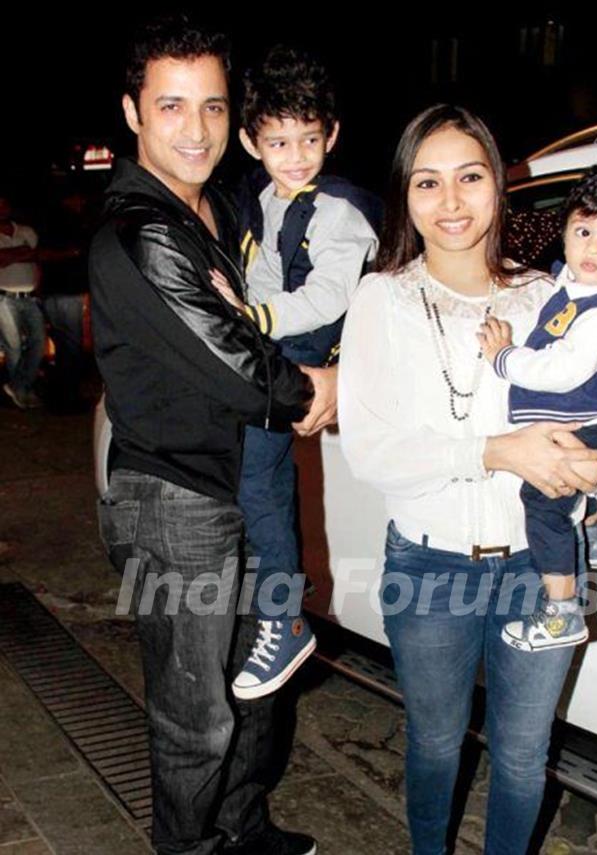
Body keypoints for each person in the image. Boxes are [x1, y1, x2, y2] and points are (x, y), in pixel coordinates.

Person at [338, 105, 597, 855]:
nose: (450, 202)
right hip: (429, 566)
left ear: (499, 186)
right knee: (436, 745)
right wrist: (497, 451)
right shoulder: (383, 299)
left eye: (469, 177)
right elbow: (371, 451)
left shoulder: (551, 299)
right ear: (404, 195)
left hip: (541, 573)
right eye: (428, 182)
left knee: (522, 755)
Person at [90, 14, 334, 855]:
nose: (197, 130)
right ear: (133, 113)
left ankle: (241, 827)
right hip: (174, 501)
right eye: (171, 106)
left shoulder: (215, 213)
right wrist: (313, 389)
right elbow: (237, 362)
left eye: (213, 107)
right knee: (194, 715)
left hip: (229, 486)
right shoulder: (142, 232)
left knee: (254, 682)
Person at [209, 45, 379, 701]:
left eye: (309, 139)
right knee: (255, 483)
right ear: (253, 142)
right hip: (271, 350)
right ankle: (269, 601)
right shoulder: (262, 196)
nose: (297, 154)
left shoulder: (338, 208)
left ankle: (283, 618)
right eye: (279, 141)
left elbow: (326, 296)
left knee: (260, 480)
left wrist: (251, 316)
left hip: (297, 351)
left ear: (330, 135)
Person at [479, 156, 597, 652]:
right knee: (566, 498)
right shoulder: (576, 290)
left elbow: (558, 371)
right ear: (563, 229)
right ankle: (594, 532)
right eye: (583, 230)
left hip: (584, 428)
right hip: (591, 423)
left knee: (541, 505)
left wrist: (503, 358)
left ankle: (563, 613)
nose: (594, 248)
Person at [0, 193, 45, 409]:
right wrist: (23, 252)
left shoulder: (26, 231)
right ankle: (22, 390)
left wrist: (11, 255)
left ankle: (18, 386)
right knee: (14, 347)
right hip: (5, 297)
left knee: (38, 342)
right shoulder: (23, 238)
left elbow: (38, 257)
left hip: (29, 296)